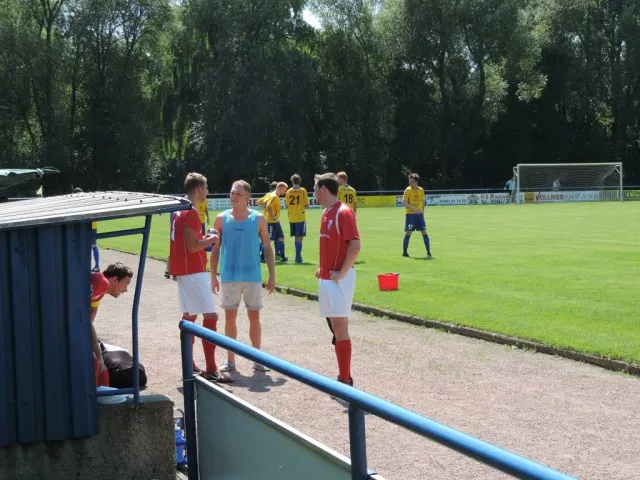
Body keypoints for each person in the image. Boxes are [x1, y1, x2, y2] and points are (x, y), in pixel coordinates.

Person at [169, 172, 231, 383]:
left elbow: (187, 242)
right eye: (205, 188)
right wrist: (212, 239)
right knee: (210, 317)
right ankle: (212, 368)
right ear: (198, 189)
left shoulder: (179, 210)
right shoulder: (191, 212)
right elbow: (193, 246)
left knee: (189, 317)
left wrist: (204, 238)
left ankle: (189, 363)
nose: (207, 191)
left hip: (184, 270)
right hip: (193, 271)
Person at [210, 180, 276, 372]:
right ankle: (230, 360)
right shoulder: (221, 219)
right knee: (229, 318)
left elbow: (267, 248)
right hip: (229, 276)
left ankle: (257, 359)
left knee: (254, 318)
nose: (233, 196)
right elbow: (215, 249)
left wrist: (272, 275)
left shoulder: (258, 219)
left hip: (252, 276)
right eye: (232, 193)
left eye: (238, 194)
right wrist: (213, 275)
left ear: (247, 198)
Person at [313, 172, 361, 386]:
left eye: (315, 189)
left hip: (338, 281)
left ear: (324, 189)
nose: (313, 193)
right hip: (327, 278)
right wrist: (322, 268)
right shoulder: (326, 213)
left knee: (340, 328)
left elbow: (355, 246)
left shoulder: (343, 212)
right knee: (334, 326)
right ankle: (343, 374)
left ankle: (345, 379)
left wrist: (341, 273)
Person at [91, 262, 134, 387]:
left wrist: (99, 355)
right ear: (115, 280)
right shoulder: (100, 283)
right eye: (125, 284)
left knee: (102, 370)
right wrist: (98, 356)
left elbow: (88, 322)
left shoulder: (100, 290)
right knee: (95, 363)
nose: (126, 290)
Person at [402, 173, 432, 259]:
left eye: (411, 181)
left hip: (419, 216)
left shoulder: (421, 190)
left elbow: (422, 202)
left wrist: (422, 212)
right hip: (410, 215)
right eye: (409, 181)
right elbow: (404, 202)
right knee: (408, 233)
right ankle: (404, 252)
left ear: (416, 182)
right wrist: (414, 209)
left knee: (424, 232)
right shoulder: (408, 190)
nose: (410, 183)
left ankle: (428, 252)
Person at [72, 187, 100, 272]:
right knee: (92, 245)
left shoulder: (78, 203)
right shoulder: (88, 201)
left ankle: (90, 266)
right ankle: (96, 266)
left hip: (87, 226)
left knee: (86, 245)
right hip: (92, 225)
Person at [285, 174, 310, 263]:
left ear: (292, 181)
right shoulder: (303, 190)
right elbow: (306, 205)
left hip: (291, 217)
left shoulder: (289, 191)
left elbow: (287, 204)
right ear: (300, 181)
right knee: (300, 237)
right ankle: (298, 258)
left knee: (296, 237)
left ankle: (297, 257)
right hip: (300, 217)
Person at [264, 181, 289, 262]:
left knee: (281, 237)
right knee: (269, 239)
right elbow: (268, 206)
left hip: (276, 221)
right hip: (271, 222)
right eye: (284, 190)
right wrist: (272, 216)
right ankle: (262, 257)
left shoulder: (276, 196)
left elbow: (264, 203)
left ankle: (282, 256)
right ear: (280, 188)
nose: (285, 192)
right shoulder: (274, 196)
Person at [257, 182, 277, 262]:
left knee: (265, 239)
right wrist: (265, 207)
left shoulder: (267, 195)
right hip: (269, 220)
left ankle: (258, 253)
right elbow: (258, 202)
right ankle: (262, 256)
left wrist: (264, 206)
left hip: (266, 219)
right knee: (268, 239)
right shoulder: (272, 195)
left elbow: (258, 202)